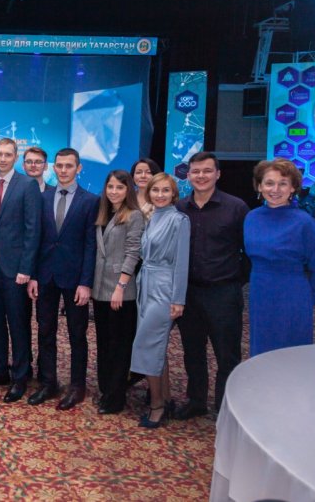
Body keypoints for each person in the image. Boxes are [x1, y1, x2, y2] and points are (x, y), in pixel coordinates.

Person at [174, 152, 249, 419]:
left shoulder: (236, 207)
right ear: (188, 175)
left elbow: (249, 251)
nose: (201, 176)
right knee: (193, 351)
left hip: (223, 292)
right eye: (196, 171)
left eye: (207, 171)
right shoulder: (179, 208)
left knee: (227, 355)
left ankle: (225, 410)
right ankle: (196, 401)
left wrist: (235, 280)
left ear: (218, 174)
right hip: (189, 292)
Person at [27, 148, 99, 409]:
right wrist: (33, 275)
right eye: (59, 165)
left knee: (77, 334)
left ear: (78, 168)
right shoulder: (42, 197)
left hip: (75, 279)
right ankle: (48, 383)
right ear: (53, 168)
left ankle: (77, 386)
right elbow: (36, 239)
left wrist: (86, 283)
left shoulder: (90, 201)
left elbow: (91, 244)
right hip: (45, 276)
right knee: (45, 330)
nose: (64, 170)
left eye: (69, 166)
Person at [0, 138, 42, 403]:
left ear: (15, 157)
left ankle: (21, 376)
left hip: (16, 270)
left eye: (8, 154)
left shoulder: (27, 185)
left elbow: (33, 230)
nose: (3, 158)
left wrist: (26, 269)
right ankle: (0, 370)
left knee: (18, 324)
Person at [245, 159, 315, 356]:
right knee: (262, 352)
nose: (275, 189)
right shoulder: (252, 217)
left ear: (293, 188)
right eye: (269, 183)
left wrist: (306, 300)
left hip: (291, 296)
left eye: (283, 183)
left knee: (291, 355)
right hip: (259, 294)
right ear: (259, 186)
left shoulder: (305, 223)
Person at [130, 173, 190, 429]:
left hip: (165, 288)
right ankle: (165, 398)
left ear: (174, 193)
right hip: (146, 284)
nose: (160, 195)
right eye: (156, 190)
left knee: (147, 344)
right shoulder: (152, 216)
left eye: (166, 190)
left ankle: (157, 405)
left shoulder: (179, 220)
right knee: (156, 347)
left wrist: (178, 299)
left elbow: (182, 263)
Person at [91, 170, 144, 414]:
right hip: (100, 287)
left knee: (119, 345)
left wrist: (120, 287)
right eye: (110, 186)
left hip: (120, 290)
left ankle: (115, 398)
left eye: (120, 187)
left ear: (128, 190)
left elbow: (133, 253)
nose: (114, 191)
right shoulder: (104, 213)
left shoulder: (134, 215)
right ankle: (106, 390)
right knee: (104, 342)